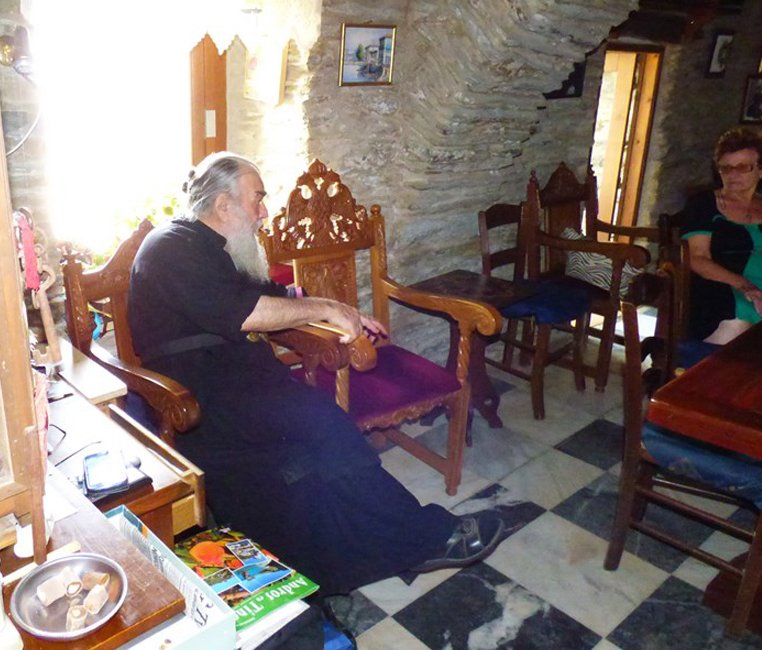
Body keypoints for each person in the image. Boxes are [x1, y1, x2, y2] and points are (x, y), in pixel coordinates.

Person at [128, 152, 504, 597]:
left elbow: (271, 293)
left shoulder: (212, 245)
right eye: (257, 199)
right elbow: (246, 311)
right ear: (224, 205)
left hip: (235, 382)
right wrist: (325, 308)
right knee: (325, 425)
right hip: (196, 400)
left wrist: (341, 311)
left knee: (319, 446)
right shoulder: (172, 248)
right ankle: (426, 539)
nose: (263, 212)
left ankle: (374, 550)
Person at [681, 128, 762, 345]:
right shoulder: (704, 204)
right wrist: (743, 284)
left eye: (742, 167)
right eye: (726, 168)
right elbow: (696, 257)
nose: (733, 175)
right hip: (722, 290)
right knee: (743, 320)